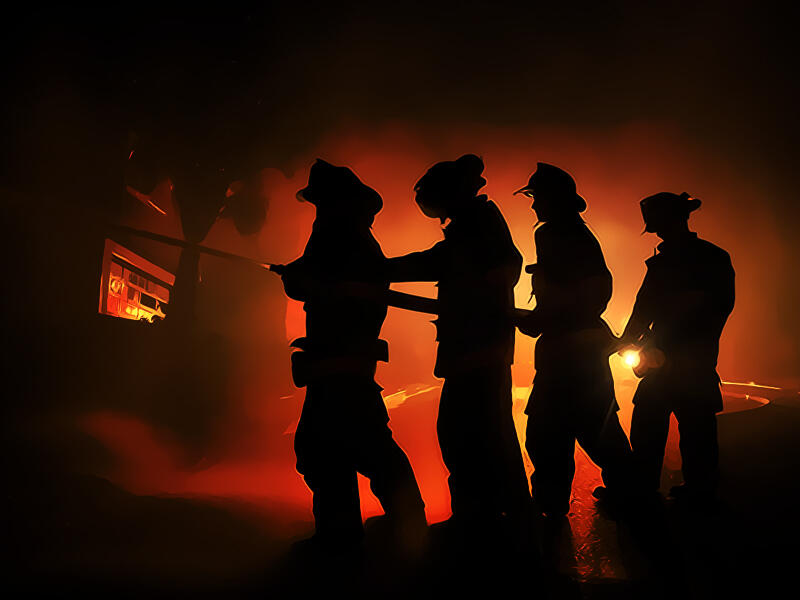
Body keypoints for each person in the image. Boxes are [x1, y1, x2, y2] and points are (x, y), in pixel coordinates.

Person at [277, 159, 426, 547]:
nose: (317, 207)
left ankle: (377, 532)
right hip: (343, 358)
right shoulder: (351, 236)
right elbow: (320, 277)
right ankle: (371, 528)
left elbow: (318, 283)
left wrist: (298, 278)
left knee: (347, 444)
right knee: (339, 445)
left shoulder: (337, 234)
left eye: (321, 200)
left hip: (340, 356)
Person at [385, 154, 530, 528]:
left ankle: (486, 514)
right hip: (478, 345)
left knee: (465, 433)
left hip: (477, 345)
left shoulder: (476, 226)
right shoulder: (478, 223)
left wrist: (375, 270)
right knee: (483, 430)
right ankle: (503, 510)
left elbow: (437, 263)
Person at [514, 163, 633, 518]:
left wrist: (546, 318)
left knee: (553, 430)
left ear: (553, 200)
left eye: (537, 198)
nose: (534, 207)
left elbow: (586, 293)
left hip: (570, 350)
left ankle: (553, 506)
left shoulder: (554, 234)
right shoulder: (573, 236)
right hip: (575, 346)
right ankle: (630, 492)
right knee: (591, 424)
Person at [621, 192, 734, 507]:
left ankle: (649, 489)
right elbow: (646, 309)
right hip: (686, 360)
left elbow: (649, 310)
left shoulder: (685, 261)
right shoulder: (712, 257)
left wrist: (633, 341)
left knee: (657, 422)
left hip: (678, 360)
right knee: (690, 426)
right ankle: (698, 490)